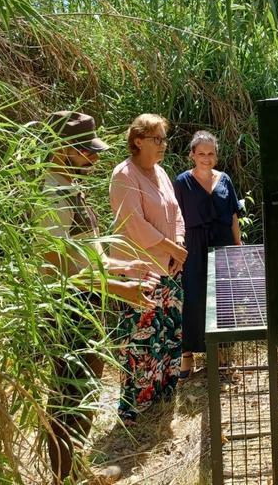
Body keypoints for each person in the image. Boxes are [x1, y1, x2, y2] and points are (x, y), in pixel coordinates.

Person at [39, 111, 158, 484]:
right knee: (66, 401)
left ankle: (75, 471)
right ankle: (65, 478)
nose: (92, 158)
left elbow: (88, 255)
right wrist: (119, 288)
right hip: (67, 312)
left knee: (83, 395)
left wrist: (125, 265)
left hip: (85, 307)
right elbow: (59, 270)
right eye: (84, 151)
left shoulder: (69, 186)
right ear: (60, 149)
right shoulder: (52, 194)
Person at [109, 113, 187, 424]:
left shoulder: (161, 172)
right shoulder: (124, 175)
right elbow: (135, 225)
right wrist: (172, 248)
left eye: (164, 139)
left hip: (170, 268)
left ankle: (164, 393)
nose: (163, 145)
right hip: (140, 271)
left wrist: (178, 246)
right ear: (137, 140)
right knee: (141, 339)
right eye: (157, 139)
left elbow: (176, 212)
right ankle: (133, 406)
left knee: (169, 333)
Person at [173, 131, 242, 374]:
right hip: (194, 244)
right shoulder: (182, 182)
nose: (206, 157)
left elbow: (233, 215)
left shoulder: (225, 179)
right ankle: (187, 354)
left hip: (222, 243)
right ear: (192, 155)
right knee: (193, 296)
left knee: (223, 297)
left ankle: (221, 350)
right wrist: (176, 248)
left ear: (216, 155)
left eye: (211, 153)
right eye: (201, 153)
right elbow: (175, 218)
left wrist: (238, 247)